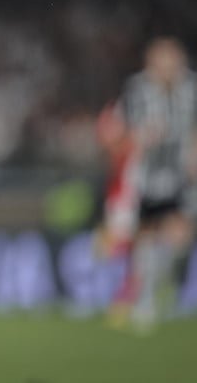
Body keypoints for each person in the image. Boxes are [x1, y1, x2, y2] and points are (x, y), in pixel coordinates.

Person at [99, 36, 197, 331]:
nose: (168, 66)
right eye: (161, 59)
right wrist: (141, 137)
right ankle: (145, 300)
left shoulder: (191, 88)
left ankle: (162, 290)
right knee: (145, 238)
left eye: (172, 59)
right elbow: (119, 132)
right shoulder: (137, 89)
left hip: (182, 176)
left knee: (181, 237)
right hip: (145, 177)